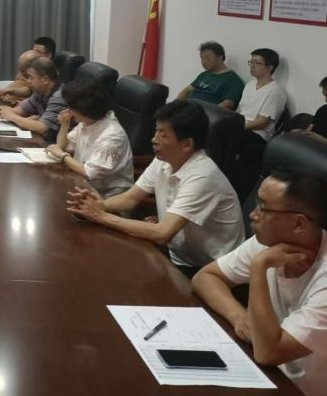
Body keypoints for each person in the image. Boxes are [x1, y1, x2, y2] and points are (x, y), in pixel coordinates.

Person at [67, 100, 244, 276]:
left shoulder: (202, 176)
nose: (154, 140)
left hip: (208, 270)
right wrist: (99, 205)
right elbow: (130, 198)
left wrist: (101, 216)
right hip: (176, 253)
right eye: (156, 131)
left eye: (163, 135)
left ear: (187, 144)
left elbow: (163, 232)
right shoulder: (164, 159)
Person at [192, 170, 327, 379]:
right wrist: (238, 316)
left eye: (263, 207)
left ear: (298, 224)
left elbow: (269, 353)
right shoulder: (269, 242)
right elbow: (205, 277)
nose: (253, 214)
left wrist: (258, 266)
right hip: (264, 370)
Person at [46, 79, 134, 197]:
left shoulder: (111, 137)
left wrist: (63, 156)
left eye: (71, 107)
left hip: (109, 194)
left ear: (84, 108)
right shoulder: (87, 122)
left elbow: (89, 173)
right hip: (84, 183)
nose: (68, 111)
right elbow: (63, 146)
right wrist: (64, 125)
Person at [234, 48, 288, 200]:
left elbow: (261, 123)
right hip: (242, 128)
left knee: (227, 136)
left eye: (257, 63)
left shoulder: (275, 91)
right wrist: (232, 122)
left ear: (269, 67)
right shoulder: (250, 85)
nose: (252, 66)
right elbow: (239, 111)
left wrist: (235, 126)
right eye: (251, 62)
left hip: (258, 134)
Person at [0, 58, 66, 141]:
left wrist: (11, 116)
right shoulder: (40, 92)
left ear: (45, 79)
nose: (28, 81)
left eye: (31, 78)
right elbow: (20, 110)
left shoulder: (59, 96)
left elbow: (42, 128)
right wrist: (3, 111)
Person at [176, 41, 244, 110]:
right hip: (188, 109)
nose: (204, 61)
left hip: (206, 114)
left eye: (207, 58)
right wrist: (176, 104)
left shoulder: (233, 80)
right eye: (202, 58)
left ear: (220, 58)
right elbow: (187, 90)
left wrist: (202, 113)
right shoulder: (204, 75)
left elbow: (228, 104)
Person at [302, 76, 327, 143]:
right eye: (324, 95)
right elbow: (308, 131)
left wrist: (319, 138)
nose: (325, 100)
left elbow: (315, 136)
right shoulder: (322, 110)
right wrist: (301, 133)